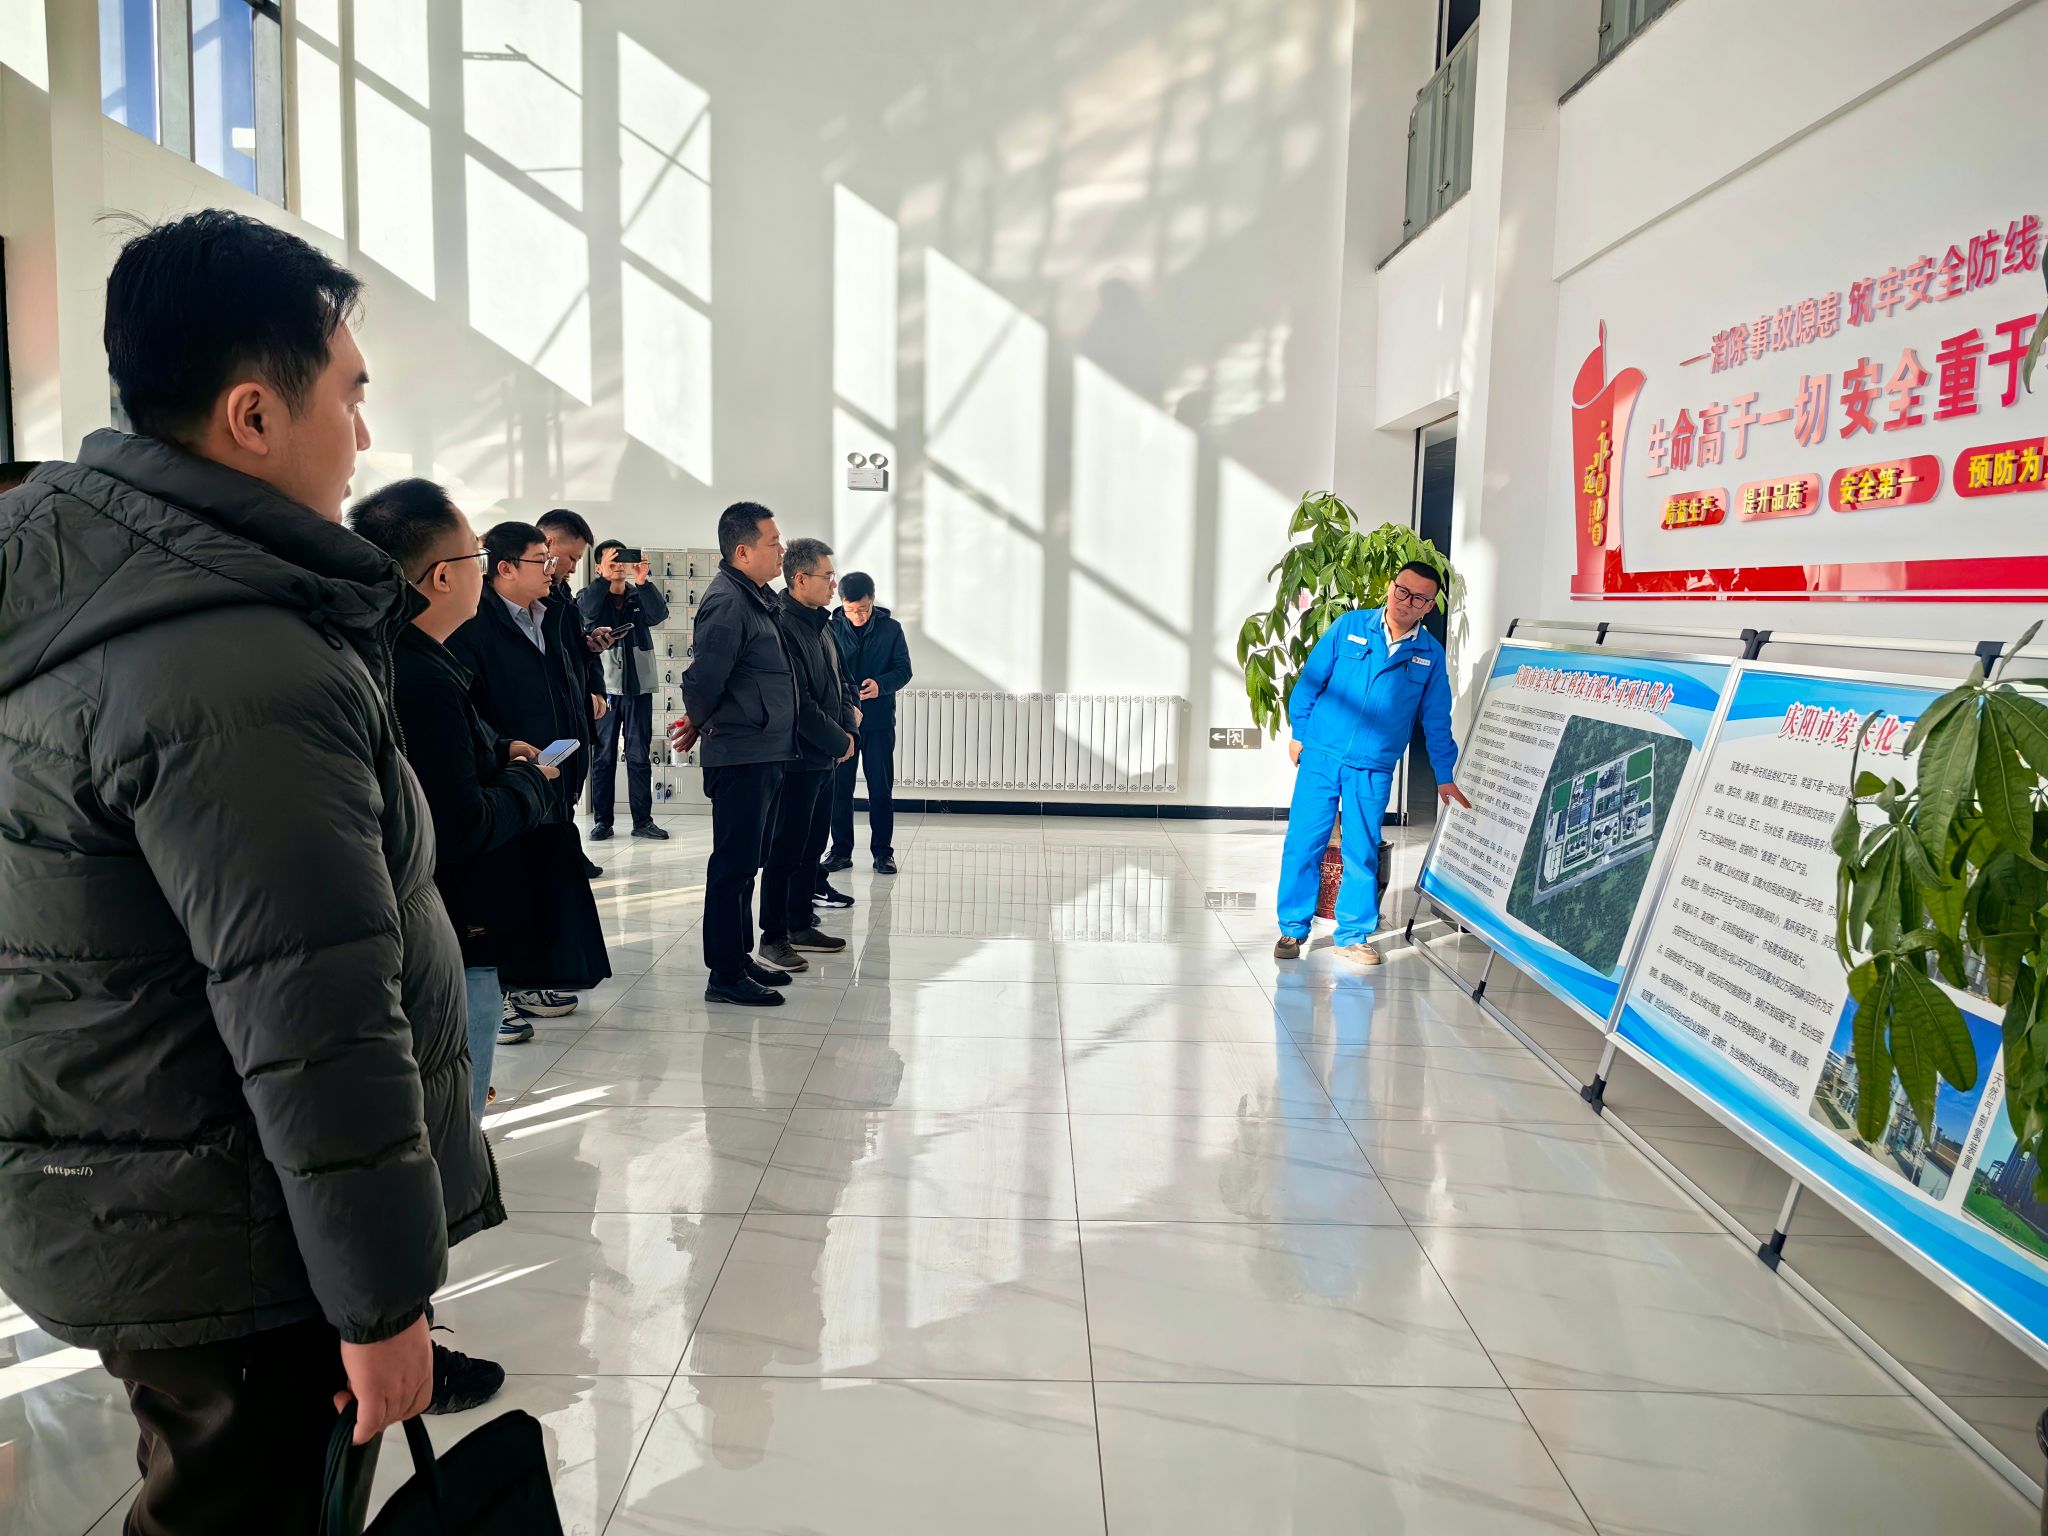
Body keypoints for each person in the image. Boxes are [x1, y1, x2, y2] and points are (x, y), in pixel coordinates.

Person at [0, 210, 502, 1533]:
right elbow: (312, 1012)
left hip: (137, 1189)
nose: (364, 436)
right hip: (237, 1237)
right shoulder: (234, 656)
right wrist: (380, 1304)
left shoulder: (92, 585)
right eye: (350, 394)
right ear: (254, 415)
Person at [347, 478, 558, 1127]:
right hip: (449, 930)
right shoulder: (420, 679)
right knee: (452, 1115)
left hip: (426, 925)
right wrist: (531, 783)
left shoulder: (391, 654)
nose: (484, 571)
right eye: (477, 556)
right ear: (442, 576)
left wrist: (494, 750)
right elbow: (459, 826)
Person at [447, 522, 611, 1035]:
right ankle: (496, 998)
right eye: (542, 560)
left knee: (541, 882)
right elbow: (469, 706)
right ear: (504, 568)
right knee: (502, 888)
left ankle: (528, 980)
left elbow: (568, 678)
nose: (553, 569)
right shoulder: (473, 623)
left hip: (553, 769)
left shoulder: (554, 612)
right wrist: (501, 753)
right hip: (506, 777)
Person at [1274, 560, 1471, 965]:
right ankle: (1292, 929)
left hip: (1373, 766)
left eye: (1419, 598)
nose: (1406, 601)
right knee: (1303, 843)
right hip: (1322, 755)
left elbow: (1437, 719)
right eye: (1402, 590)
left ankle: (1353, 934)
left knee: (1362, 850)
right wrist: (1299, 733)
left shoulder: (1429, 655)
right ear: (1390, 587)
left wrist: (1444, 774)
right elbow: (1310, 681)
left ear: (1429, 606)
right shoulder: (1349, 626)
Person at [681, 501, 802, 1006]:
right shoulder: (728, 602)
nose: (782, 549)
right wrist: (700, 721)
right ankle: (724, 974)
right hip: (741, 753)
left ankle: (739, 955)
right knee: (732, 866)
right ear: (743, 550)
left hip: (762, 748)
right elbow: (704, 678)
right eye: (773, 542)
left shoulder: (755, 597)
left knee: (747, 863)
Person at [758, 538, 860, 972]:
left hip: (824, 758)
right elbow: (798, 701)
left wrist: (849, 730)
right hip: (797, 758)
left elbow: (842, 683)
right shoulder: (783, 626)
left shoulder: (822, 624)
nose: (834, 584)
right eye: (828, 576)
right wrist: (840, 741)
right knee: (786, 849)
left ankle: (800, 924)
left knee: (813, 844)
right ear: (800, 579)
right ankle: (773, 936)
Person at [578, 537, 672, 841]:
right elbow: (586, 613)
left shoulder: (638, 595)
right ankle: (602, 821)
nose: (619, 566)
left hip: (638, 687)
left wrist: (643, 582)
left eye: (622, 561)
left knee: (638, 755)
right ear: (598, 567)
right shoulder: (591, 595)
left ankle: (642, 821)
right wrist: (603, 581)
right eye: (611, 561)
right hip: (605, 687)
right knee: (603, 757)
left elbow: (658, 615)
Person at [535, 508, 610, 881]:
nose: (573, 567)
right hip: (544, 717)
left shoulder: (562, 594)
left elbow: (572, 650)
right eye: (573, 558)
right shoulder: (531, 598)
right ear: (549, 543)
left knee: (568, 791)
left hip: (572, 711)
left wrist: (591, 653)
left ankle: (569, 855)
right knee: (547, 794)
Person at [825, 571, 913, 875]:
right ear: (842, 604)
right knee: (840, 790)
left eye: (863, 609)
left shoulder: (891, 629)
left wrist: (880, 685)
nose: (858, 616)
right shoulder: (829, 628)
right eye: (851, 610)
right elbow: (824, 672)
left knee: (880, 790)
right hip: (842, 723)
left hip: (878, 723)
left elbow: (904, 670)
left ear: (872, 601)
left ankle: (883, 853)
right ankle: (840, 851)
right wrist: (844, 702)